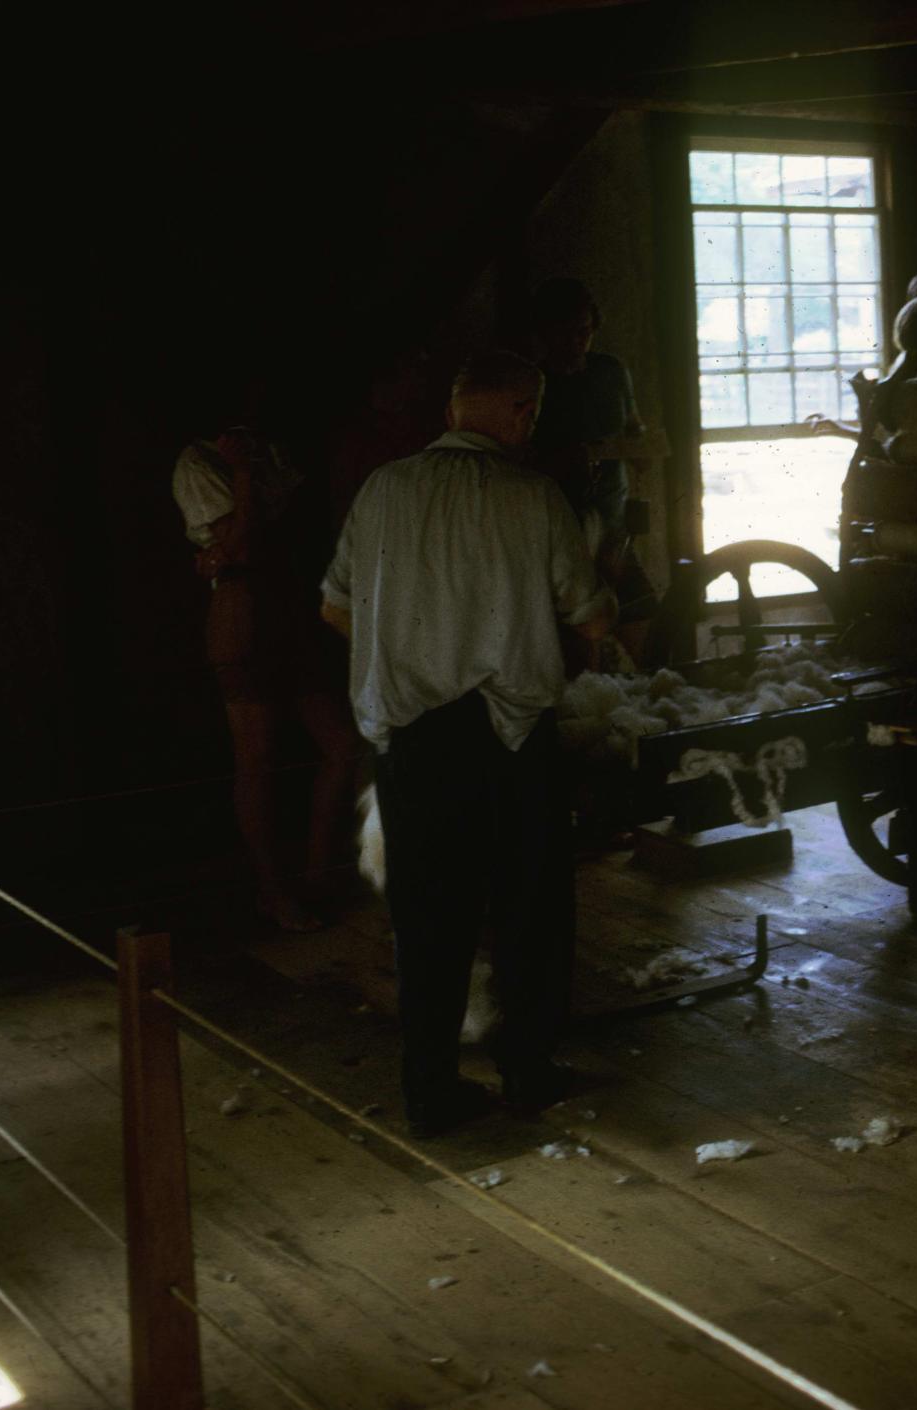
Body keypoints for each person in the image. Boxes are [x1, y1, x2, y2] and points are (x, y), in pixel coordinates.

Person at [321, 350, 616, 1135]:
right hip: (510, 734)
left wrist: (409, 645)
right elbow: (590, 618)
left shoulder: (382, 490)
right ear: (521, 412)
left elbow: (335, 608)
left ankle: (430, 1088)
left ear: (454, 412)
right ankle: (526, 1069)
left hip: (414, 737)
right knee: (530, 909)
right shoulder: (532, 496)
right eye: (533, 412)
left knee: (426, 921)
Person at [172, 385, 360, 932]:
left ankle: (318, 870)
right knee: (257, 757)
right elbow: (239, 546)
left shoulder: (265, 447)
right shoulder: (198, 461)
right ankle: (273, 892)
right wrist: (244, 480)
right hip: (243, 607)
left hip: (290, 602)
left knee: (342, 744)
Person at [528, 278, 662, 660]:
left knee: (645, 631)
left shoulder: (611, 372)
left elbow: (633, 428)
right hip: (560, 537)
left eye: (584, 332)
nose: (576, 342)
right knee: (579, 646)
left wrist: (642, 445)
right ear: (545, 333)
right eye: (565, 333)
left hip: (613, 528)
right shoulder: (535, 384)